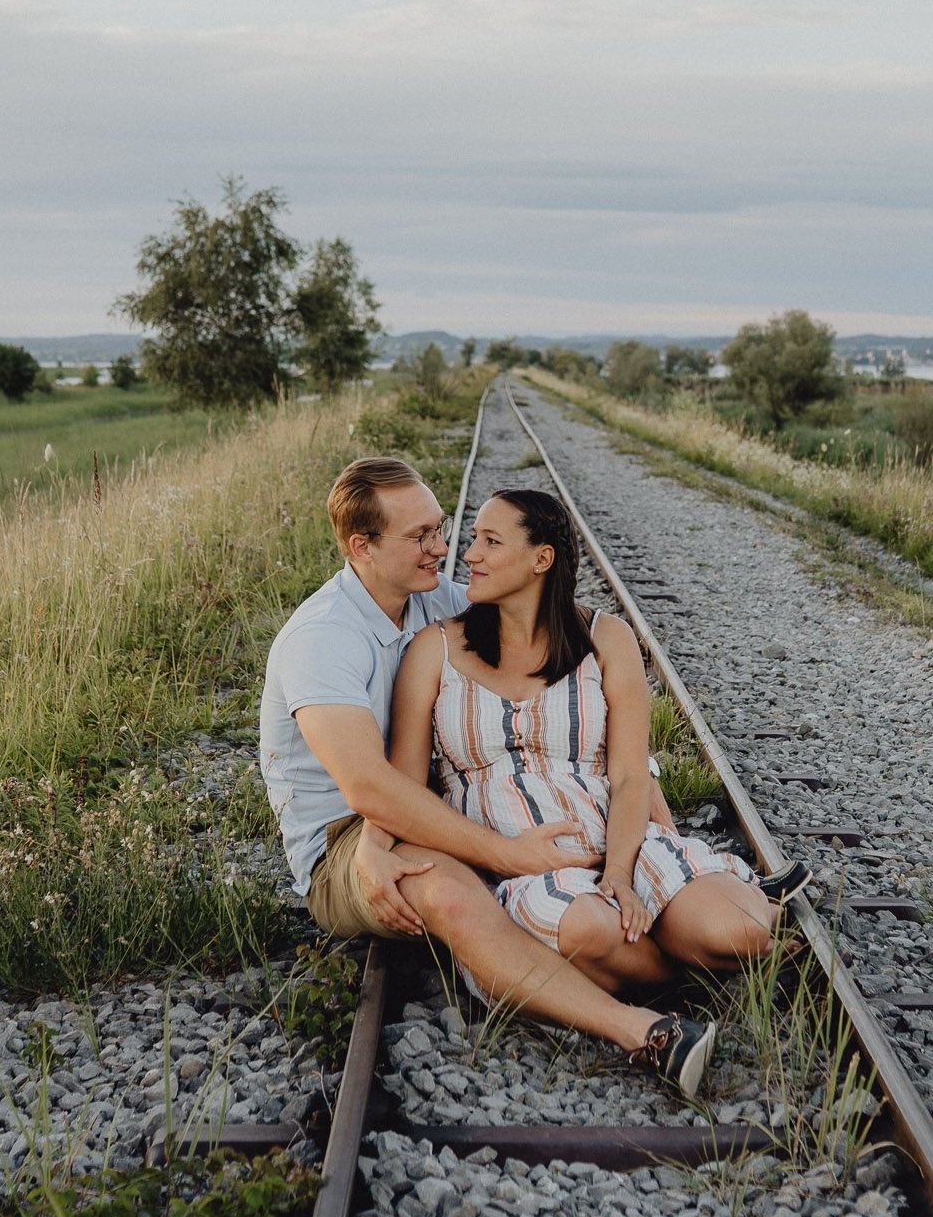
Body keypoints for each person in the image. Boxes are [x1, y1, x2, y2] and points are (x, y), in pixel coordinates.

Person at [259, 458, 721, 1092]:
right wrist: (503, 855)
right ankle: (642, 1031)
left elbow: (561, 640)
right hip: (349, 838)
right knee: (451, 891)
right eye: (419, 536)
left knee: (578, 855)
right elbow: (368, 788)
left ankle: (701, 934)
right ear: (361, 546)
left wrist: (652, 809)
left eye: (441, 529)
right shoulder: (322, 638)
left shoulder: (437, 601)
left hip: (435, 809)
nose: (442, 549)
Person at [387, 489, 809, 1030]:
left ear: (542, 559)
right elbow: (404, 791)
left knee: (737, 930)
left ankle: (722, 933)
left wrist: (620, 876)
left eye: (490, 542)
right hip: (521, 866)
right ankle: (690, 968)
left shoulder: (607, 638)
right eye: (473, 539)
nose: (469, 555)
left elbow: (631, 776)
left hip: (620, 841)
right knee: (589, 930)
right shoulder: (436, 648)